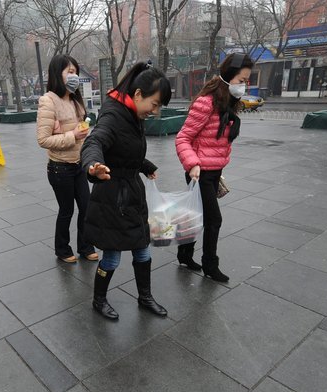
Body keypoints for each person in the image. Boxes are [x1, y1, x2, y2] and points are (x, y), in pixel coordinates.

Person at [81, 61, 171, 321]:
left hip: (132, 194)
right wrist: (92, 166)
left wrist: (144, 165)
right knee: (112, 256)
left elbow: (125, 150)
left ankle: (145, 297)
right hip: (113, 198)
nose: (154, 112)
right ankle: (99, 300)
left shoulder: (133, 114)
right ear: (138, 95)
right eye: (153, 105)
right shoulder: (114, 115)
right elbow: (95, 141)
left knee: (143, 249)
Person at [175, 52, 254, 283]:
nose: (244, 86)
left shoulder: (227, 102)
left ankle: (184, 255)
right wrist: (192, 164)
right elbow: (183, 138)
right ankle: (210, 265)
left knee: (197, 215)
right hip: (199, 173)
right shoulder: (206, 102)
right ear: (229, 77)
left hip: (213, 171)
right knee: (214, 220)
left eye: (247, 81)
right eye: (241, 80)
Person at [36, 54, 98, 264]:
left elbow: (80, 129)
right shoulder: (48, 100)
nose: (74, 76)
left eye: (75, 72)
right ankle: (62, 249)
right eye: (69, 72)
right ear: (57, 73)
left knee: (87, 207)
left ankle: (85, 246)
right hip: (59, 168)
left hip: (79, 164)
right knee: (66, 210)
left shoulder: (75, 99)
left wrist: (82, 132)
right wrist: (72, 136)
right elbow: (43, 139)